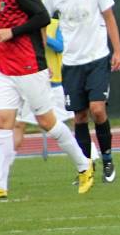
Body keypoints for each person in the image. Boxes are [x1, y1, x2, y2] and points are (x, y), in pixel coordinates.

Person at [0, 0, 94, 199]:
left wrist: (13, 33)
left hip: (28, 67)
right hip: (4, 69)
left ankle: (84, 165)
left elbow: (42, 18)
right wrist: (1, 41)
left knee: (47, 122)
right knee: (2, 122)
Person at [43, 0, 120, 184]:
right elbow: (40, 23)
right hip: (71, 64)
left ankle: (108, 158)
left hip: (98, 58)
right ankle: (86, 165)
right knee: (79, 117)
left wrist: (117, 51)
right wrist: (42, 57)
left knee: (98, 110)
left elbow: (109, 17)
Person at [11, 18, 99, 167]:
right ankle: (5, 166)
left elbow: (60, 46)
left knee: (74, 120)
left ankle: (91, 155)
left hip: (55, 84)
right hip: (31, 82)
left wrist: (44, 36)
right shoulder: (19, 26)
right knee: (19, 124)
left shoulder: (55, 24)